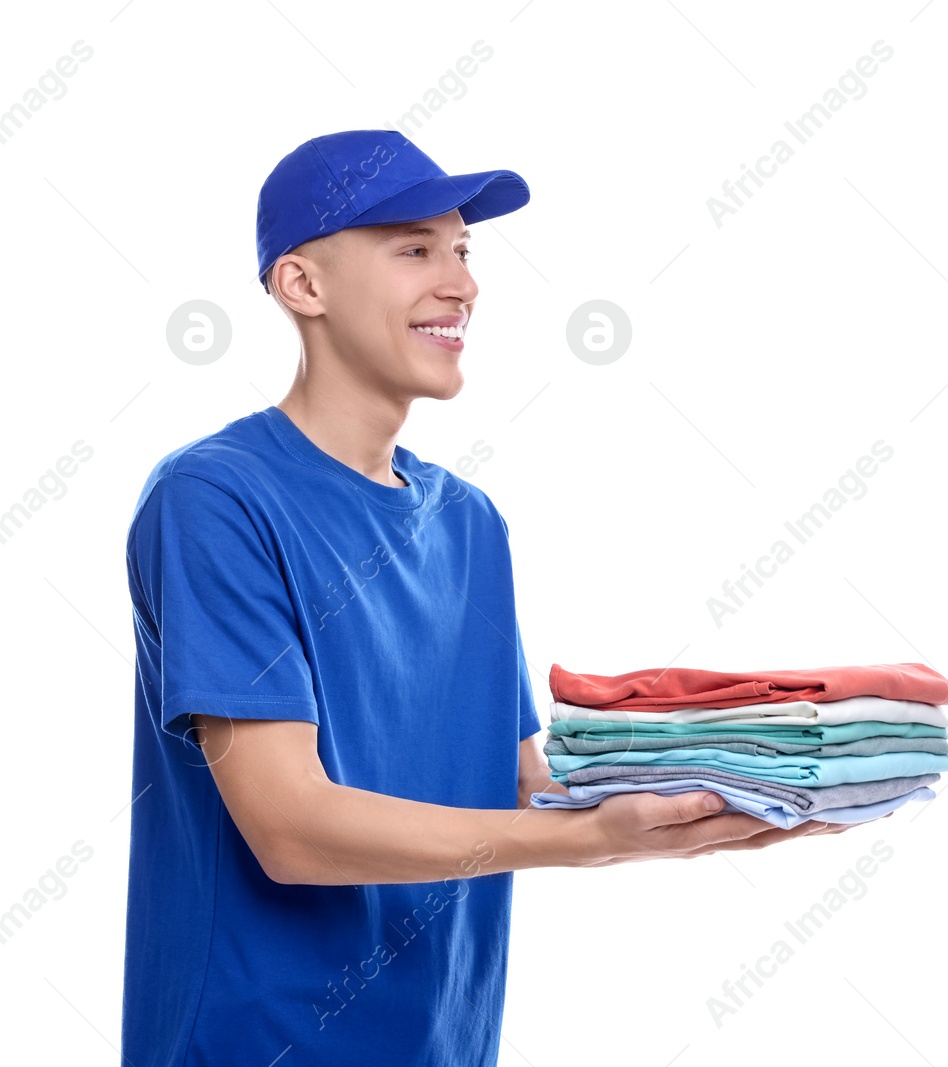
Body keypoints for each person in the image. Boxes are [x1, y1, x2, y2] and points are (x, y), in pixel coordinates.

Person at [120, 129, 849, 1066]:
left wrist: (727, 788)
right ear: (303, 285)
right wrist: (594, 844)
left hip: (447, 1043)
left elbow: (521, 789)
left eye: (463, 251)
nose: (462, 284)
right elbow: (290, 828)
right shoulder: (215, 499)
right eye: (414, 249)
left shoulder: (468, 523)